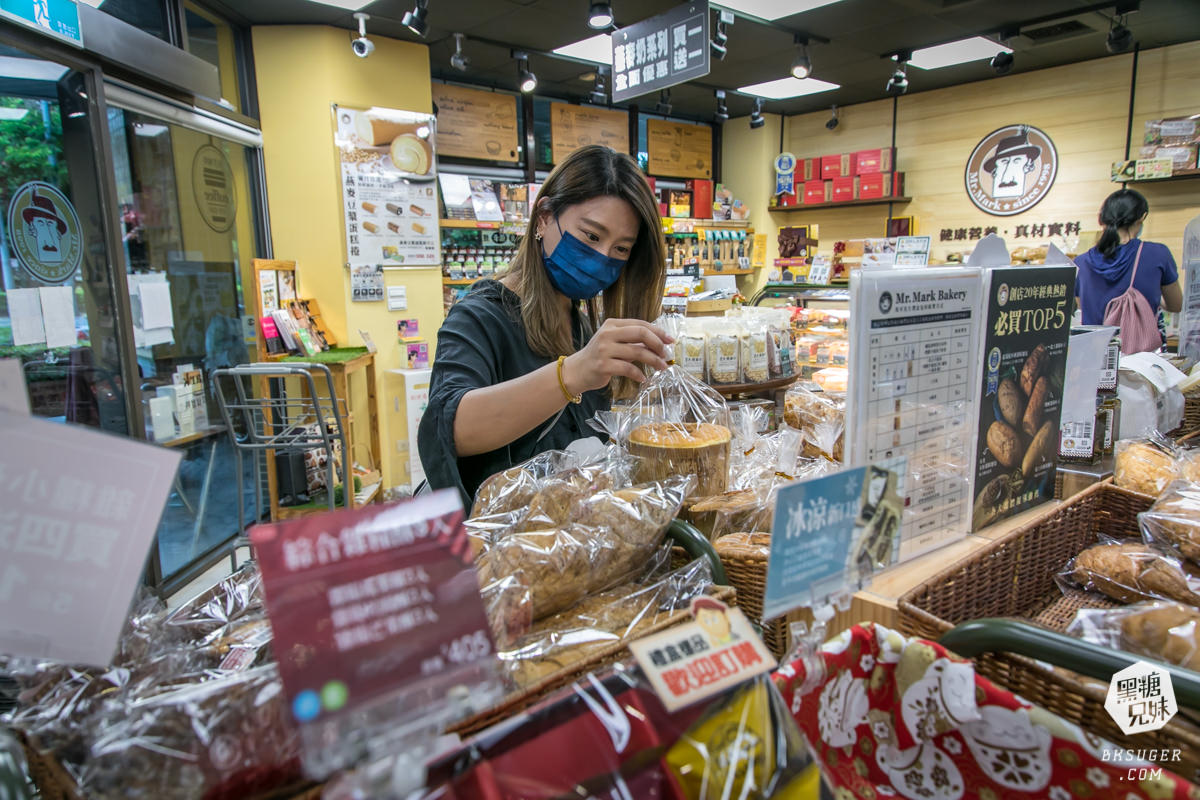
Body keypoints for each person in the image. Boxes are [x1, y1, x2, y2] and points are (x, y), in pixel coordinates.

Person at [418, 145, 671, 509]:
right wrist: (572, 374)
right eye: (591, 237)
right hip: (502, 552)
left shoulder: (582, 327)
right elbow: (449, 427)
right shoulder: (479, 317)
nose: (602, 258)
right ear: (544, 217)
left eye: (621, 249)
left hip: (568, 547)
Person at [1074, 188, 1181, 349]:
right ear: (1141, 218)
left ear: (1101, 219)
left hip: (1094, 358)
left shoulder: (1080, 263)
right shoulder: (1157, 254)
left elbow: (1083, 308)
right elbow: (1176, 305)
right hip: (1140, 362)